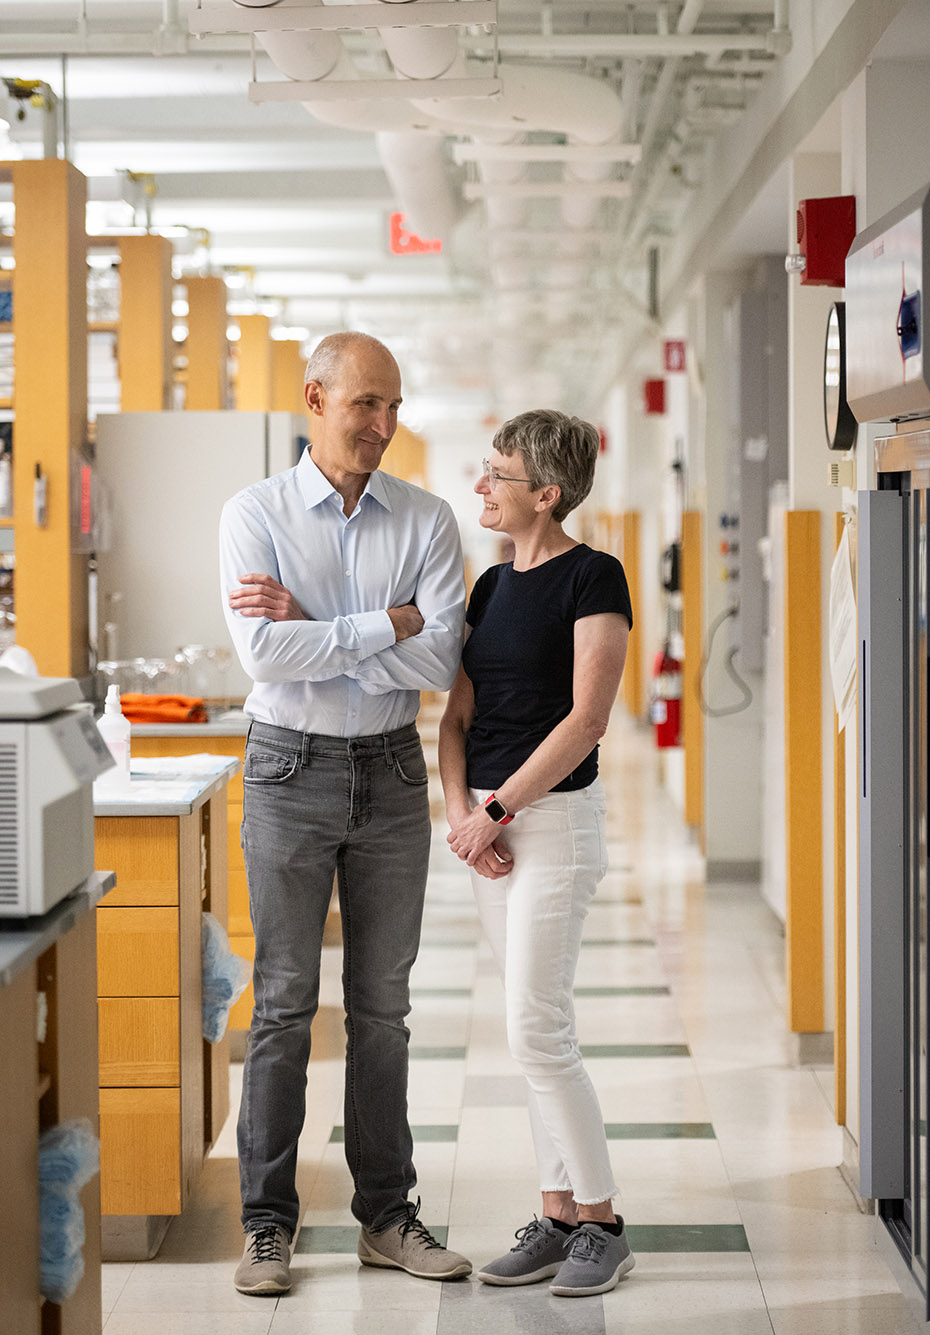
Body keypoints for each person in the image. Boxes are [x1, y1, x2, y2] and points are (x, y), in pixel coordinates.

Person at [219, 331, 471, 1295]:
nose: (383, 425)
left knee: (385, 1009)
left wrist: (323, 630)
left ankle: (387, 1215)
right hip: (288, 770)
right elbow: (264, 658)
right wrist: (386, 624)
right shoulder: (256, 513)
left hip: (394, 775)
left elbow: (439, 661)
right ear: (315, 397)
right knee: (284, 1003)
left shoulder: (427, 517)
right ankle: (266, 1224)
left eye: (394, 406)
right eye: (366, 404)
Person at [438, 409, 634, 1299]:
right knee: (535, 1035)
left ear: (546, 494)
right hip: (488, 830)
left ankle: (602, 1221)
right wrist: (461, 813)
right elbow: (457, 718)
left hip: (551, 822)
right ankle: (556, 1213)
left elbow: (586, 720)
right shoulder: (487, 588)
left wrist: (502, 807)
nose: (482, 486)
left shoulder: (594, 578)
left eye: (497, 474)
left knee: (534, 1027)